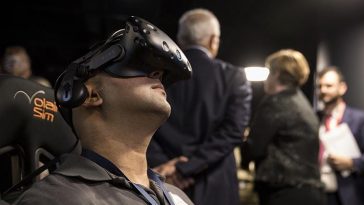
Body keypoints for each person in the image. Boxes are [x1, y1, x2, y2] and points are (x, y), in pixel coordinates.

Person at [12, 16, 193, 205]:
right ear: (91, 96)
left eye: (160, 73)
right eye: (137, 65)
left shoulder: (177, 197)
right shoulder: (58, 198)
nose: (158, 74)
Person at [147, 8, 252, 205]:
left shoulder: (157, 77)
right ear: (213, 40)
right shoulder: (233, 77)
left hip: (163, 180)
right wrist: (187, 167)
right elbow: (233, 132)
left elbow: (142, 122)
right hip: (216, 181)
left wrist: (167, 167)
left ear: (180, 39)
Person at [246, 49, 325, 205]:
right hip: (310, 194)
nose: (264, 80)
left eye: (268, 73)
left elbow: (253, 149)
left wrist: (245, 141)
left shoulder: (275, 103)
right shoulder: (304, 104)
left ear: (275, 74)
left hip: (285, 193)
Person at [317, 66, 364, 205]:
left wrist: (350, 163)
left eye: (328, 86)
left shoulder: (360, 119)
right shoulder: (315, 118)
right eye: (320, 86)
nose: (323, 90)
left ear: (342, 88)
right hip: (318, 192)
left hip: (347, 194)